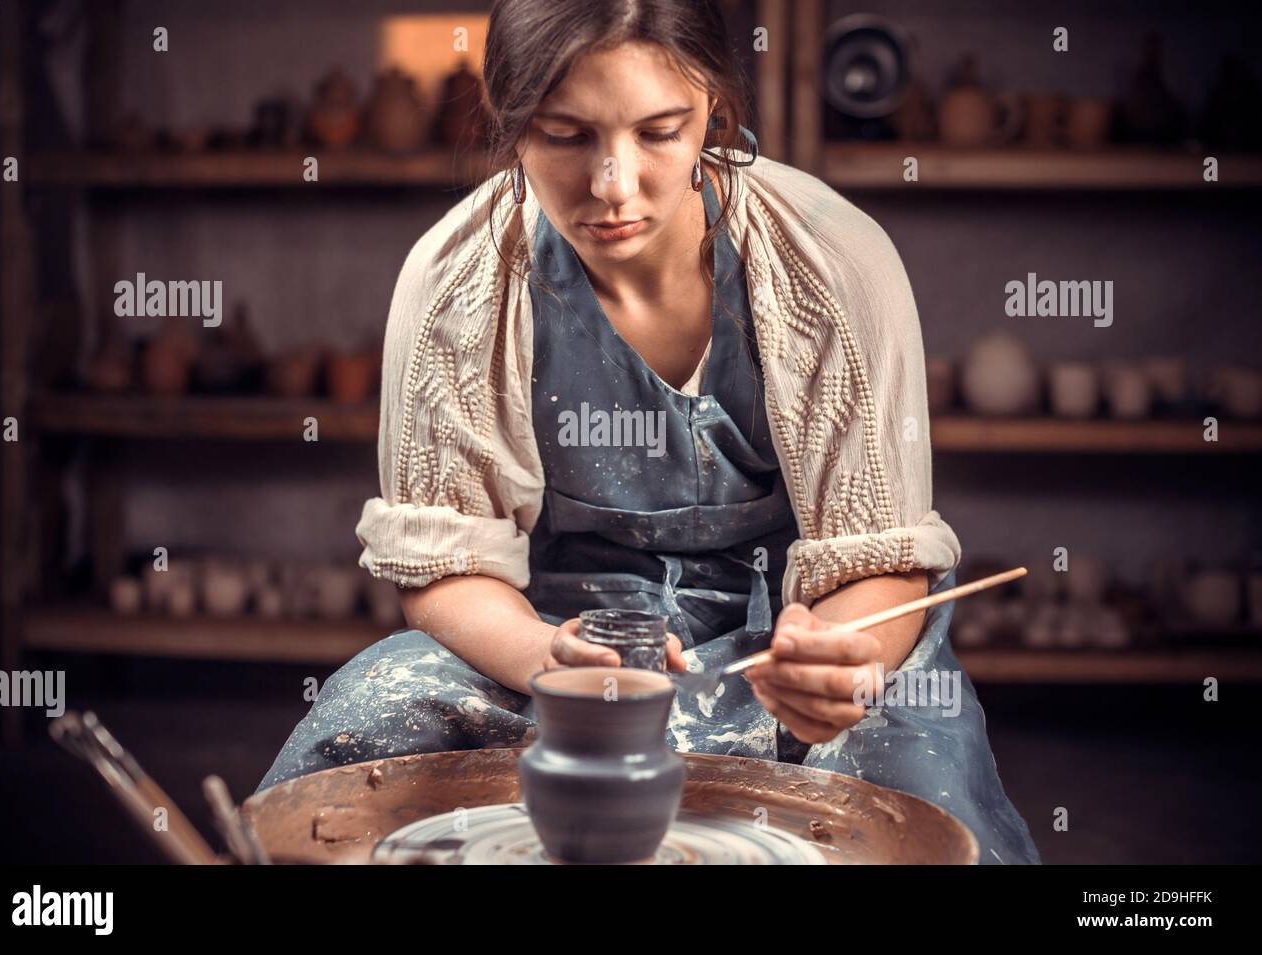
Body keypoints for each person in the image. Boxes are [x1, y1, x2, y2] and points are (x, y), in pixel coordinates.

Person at [258, 0, 1040, 865]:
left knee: (902, 802)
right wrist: (547, 656)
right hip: (554, 650)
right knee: (371, 723)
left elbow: (879, 558)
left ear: (712, 104)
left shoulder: (829, 261)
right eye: (565, 136)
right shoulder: (460, 281)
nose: (613, 186)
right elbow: (448, 566)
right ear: (510, 120)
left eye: (660, 132)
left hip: (787, 650)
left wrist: (837, 659)